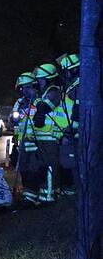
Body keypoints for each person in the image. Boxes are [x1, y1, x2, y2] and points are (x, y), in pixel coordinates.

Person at [32, 62, 64, 203]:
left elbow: (45, 107)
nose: (39, 82)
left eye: (41, 79)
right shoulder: (45, 92)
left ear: (50, 78)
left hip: (51, 137)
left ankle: (49, 196)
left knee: (50, 166)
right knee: (42, 167)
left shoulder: (54, 91)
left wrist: (37, 98)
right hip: (41, 136)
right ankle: (44, 193)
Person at [13, 72, 41, 204]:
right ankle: (27, 194)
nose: (24, 91)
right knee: (23, 169)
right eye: (22, 88)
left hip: (36, 142)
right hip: (23, 142)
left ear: (33, 86)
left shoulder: (40, 101)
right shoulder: (19, 103)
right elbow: (12, 121)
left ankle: (33, 195)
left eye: (27, 87)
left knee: (34, 169)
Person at [55, 53, 80, 195]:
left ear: (74, 70)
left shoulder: (78, 87)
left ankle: (71, 198)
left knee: (71, 168)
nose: (65, 74)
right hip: (68, 134)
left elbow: (78, 113)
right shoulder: (73, 87)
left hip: (73, 136)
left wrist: (69, 133)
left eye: (67, 71)